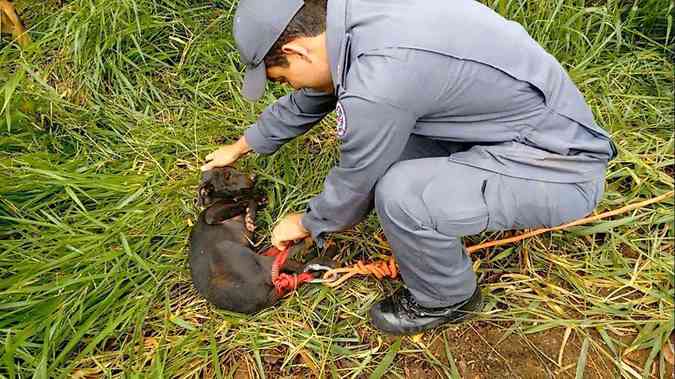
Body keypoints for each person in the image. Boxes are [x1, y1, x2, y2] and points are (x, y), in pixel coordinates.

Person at [200, 0, 616, 335]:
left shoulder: (380, 79)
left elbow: (355, 179)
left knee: (401, 193)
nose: (292, 86)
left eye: (283, 77)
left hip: (559, 167)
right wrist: (243, 146)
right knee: (389, 157)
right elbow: (317, 92)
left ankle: (445, 298)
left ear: (295, 50)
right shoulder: (358, 18)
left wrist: (307, 223)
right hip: (524, 126)